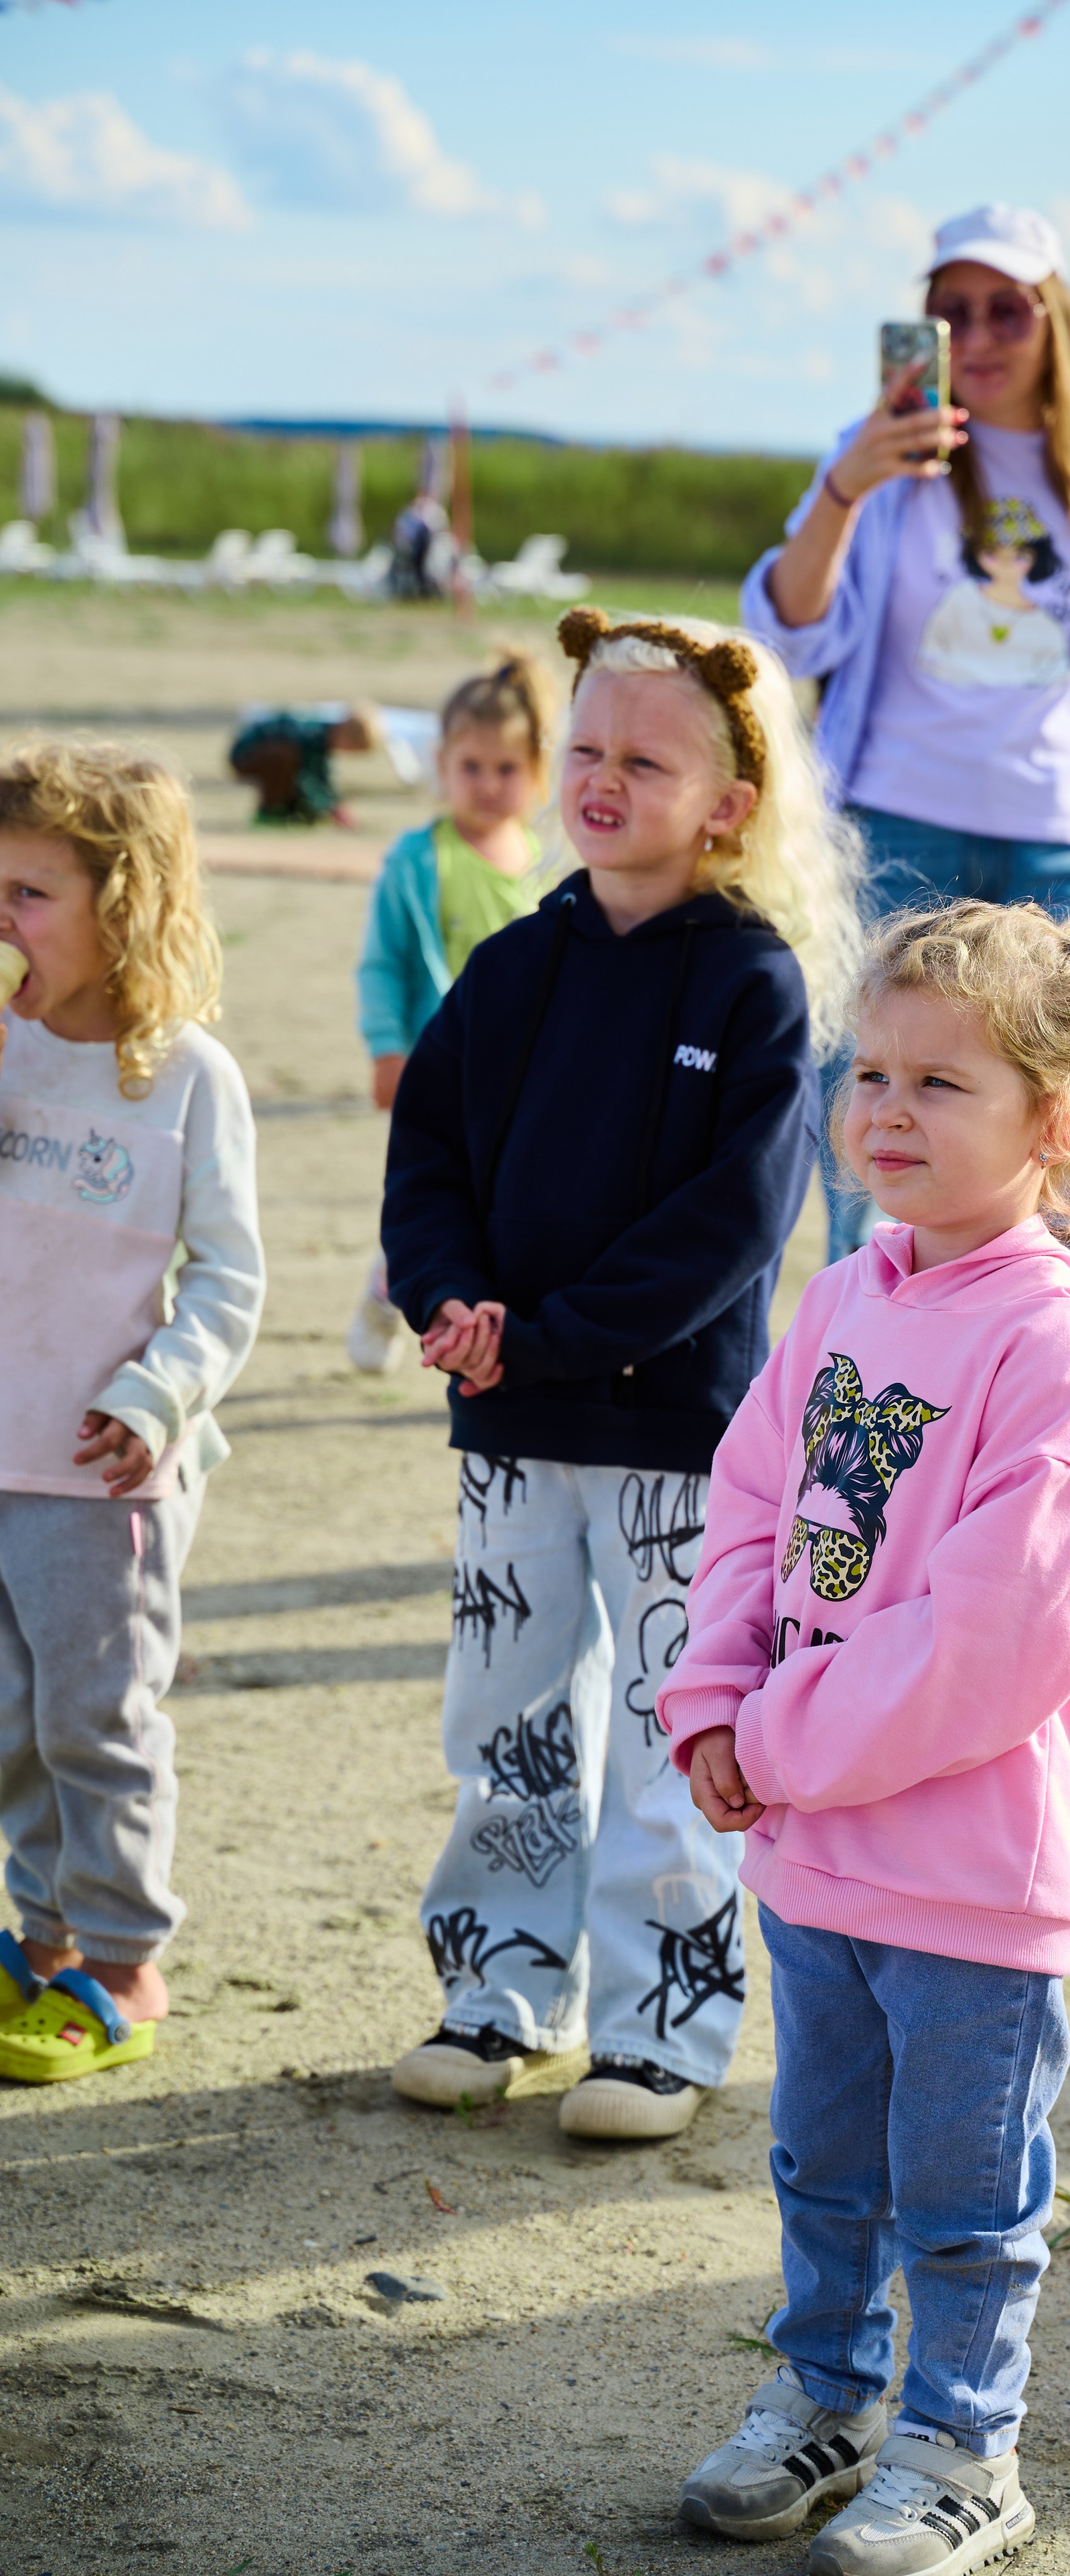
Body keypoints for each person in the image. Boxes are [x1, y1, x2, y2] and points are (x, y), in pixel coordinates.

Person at [665, 898, 1070, 2567]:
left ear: (1054, 1119)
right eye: (867, 1070)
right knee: (821, 2164)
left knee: (960, 2197)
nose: (883, 1109)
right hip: (816, 1854)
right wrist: (708, 1695)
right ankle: (822, 2392)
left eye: (939, 1082)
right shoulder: (843, 1295)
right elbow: (750, 1505)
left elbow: (995, 1636)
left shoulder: (1047, 1337)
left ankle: (961, 2448)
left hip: (967, 1867)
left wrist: (780, 1733)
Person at [380, 609, 862, 2140]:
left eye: (642, 758)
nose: (598, 777)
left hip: (679, 1437)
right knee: (505, 1716)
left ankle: (660, 2026)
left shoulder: (753, 987)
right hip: (509, 1424)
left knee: (675, 1730)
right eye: (582, 747)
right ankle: (494, 1991)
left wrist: (557, 1327)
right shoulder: (512, 966)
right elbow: (430, 1159)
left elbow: (726, 1227)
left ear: (727, 799)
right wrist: (452, 1298)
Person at [740, 199, 1070, 1447]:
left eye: (1006, 305)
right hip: (895, 835)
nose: (976, 332)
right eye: (951, 307)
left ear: (1056, 319)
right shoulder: (887, 473)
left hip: (1068, 845)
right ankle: (865, 1477)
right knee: (886, 1158)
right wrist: (845, 484)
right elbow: (786, 632)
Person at [0, 741, 264, 2082]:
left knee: (94, 1715)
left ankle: (119, 1957)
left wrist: (159, 1393)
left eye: (29, 892)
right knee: (8, 1715)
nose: (4, 918)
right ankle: (36, 1936)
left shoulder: (186, 1080)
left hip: (97, 1470)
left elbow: (230, 1274)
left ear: (127, 904)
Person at [347, 648, 559, 1375]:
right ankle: (390, 1289)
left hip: (522, 1084)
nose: (489, 785)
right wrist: (386, 1048)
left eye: (507, 769)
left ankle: (472, 1318)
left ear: (535, 772)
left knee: (498, 1207)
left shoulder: (547, 866)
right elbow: (383, 964)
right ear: (441, 764)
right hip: (437, 1074)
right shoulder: (415, 862)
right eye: (472, 767)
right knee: (430, 1197)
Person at [229, 703, 380, 826]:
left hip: (271, 759)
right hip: (245, 755)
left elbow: (322, 778)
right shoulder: (311, 733)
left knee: (291, 766)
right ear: (345, 737)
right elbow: (305, 777)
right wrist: (328, 807)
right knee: (286, 757)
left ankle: (286, 813)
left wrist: (334, 804)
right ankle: (270, 812)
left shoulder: (323, 737)